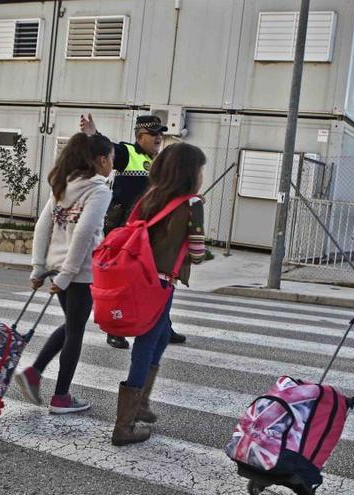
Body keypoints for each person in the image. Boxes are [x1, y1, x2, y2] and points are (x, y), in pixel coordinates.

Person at [112, 142, 207, 446]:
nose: (202, 175)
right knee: (148, 341)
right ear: (189, 173)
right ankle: (124, 425)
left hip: (140, 279)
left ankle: (139, 403)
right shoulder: (191, 204)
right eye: (200, 169)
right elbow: (197, 252)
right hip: (161, 284)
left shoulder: (149, 197)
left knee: (161, 335)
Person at [15, 133, 114, 414]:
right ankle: (61, 397)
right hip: (79, 271)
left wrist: (40, 267)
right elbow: (83, 232)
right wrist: (68, 275)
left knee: (73, 323)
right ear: (101, 159)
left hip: (60, 267)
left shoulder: (64, 185)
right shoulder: (98, 190)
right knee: (76, 329)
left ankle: (34, 373)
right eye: (111, 159)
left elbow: (42, 226)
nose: (112, 165)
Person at [80, 113, 188, 349]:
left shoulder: (161, 161)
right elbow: (109, 149)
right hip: (125, 233)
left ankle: (163, 328)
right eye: (153, 134)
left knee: (158, 282)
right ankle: (114, 330)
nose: (159, 137)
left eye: (161, 133)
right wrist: (93, 134)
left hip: (152, 233)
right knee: (123, 284)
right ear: (140, 136)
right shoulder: (129, 154)